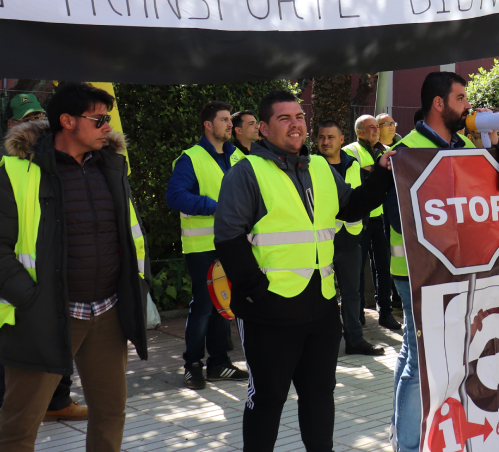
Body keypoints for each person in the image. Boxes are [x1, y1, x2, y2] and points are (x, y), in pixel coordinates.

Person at [214, 90, 392, 452]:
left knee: (319, 397)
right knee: (267, 400)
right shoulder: (246, 172)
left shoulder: (320, 167)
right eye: (284, 118)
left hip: (322, 307)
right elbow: (228, 238)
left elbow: (350, 208)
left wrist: (382, 177)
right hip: (269, 311)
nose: (296, 124)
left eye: (299, 116)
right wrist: (255, 292)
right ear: (263, 128)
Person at [0, 83, 149, 452]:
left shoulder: (111, 166)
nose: (107, 128)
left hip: (108, 313)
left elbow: (133, 234)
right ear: (67, 121)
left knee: (111, 414)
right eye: (99, 119)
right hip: (44, 315)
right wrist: (32, 300)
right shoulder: (17, 170)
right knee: (20, 426)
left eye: (108, 120)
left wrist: (137, 285)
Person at [379, 72, 478, 452]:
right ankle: (407, 445)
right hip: (416, 273)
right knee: (420, 362)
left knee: (411, 353)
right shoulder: (408, 150)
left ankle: (403, 433)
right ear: (439, 104)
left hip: (448, 271)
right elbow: (396, 218)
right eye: (460, 98)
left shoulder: (464, 144)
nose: (467, 105)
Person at [0, 93, 88, 422]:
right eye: (26, 116)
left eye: (39, 114)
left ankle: (59, 401)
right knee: (16, 369)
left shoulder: (62, 158)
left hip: (61, 287)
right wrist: (27, 295)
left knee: (60, 346)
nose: (34, 121)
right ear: (11, 124)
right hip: (19, 295)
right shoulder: (7, 165)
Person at [166, 101, 248, 390]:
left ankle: (219, 364)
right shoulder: (190, 159)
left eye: (230, 119)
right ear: (208, 125)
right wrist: (215, 206)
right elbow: (176, 197)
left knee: (222, 305)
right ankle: (193, 365)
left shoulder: (238, 156)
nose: (229, 124)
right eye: (224, 119)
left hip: (233, 243)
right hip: (201, 246)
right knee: (203, 307)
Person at [315, 120, 388, 354]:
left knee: (352, 292)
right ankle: (322, 342)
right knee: (322, 294)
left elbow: (361, 197)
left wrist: (363, 225)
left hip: (351, 238)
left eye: (331, 137)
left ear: (341, 140)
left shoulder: (352, 164)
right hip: (323, 240)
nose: (325, 142)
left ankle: (355, 341)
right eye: (322, 137)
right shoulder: (311, 166)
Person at [344, 115, 402, 330]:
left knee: (383, 266)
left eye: (376, 127)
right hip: (361, 218)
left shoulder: (382, 149)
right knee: (358, 269)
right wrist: (377, 172)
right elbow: (361, 178)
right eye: (371, 128)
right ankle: (358, 316)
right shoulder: (351, 151)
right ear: (359, 132)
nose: (376, 130)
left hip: (380, 217)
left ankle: (385, 313)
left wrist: (375, 171)